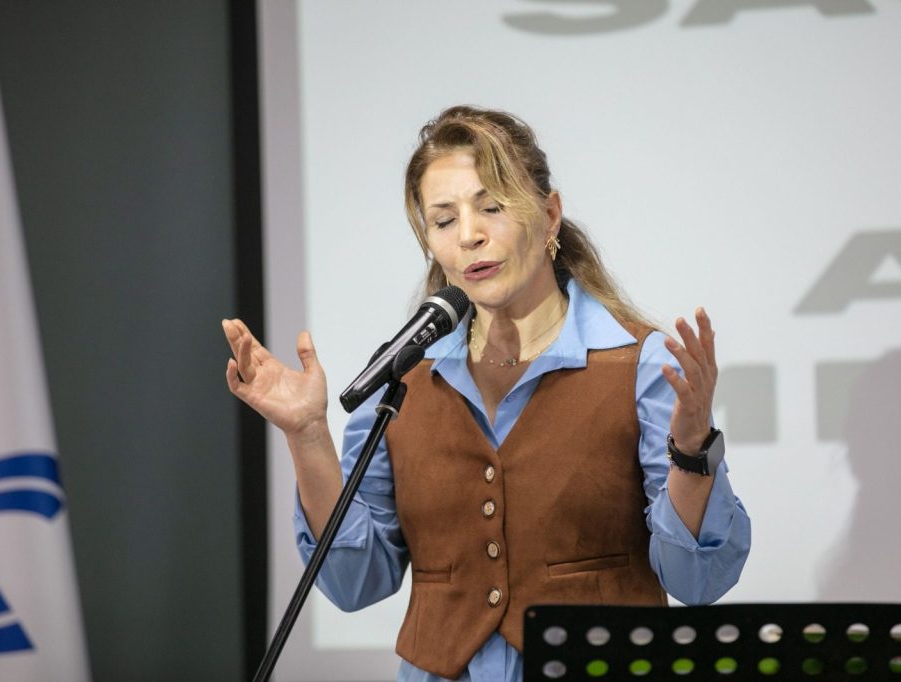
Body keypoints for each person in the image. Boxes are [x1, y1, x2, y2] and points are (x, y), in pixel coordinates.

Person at [223, 106, 750, 681]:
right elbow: (354, 581)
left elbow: (699, 579)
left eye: (492, 207)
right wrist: (308, 436)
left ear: (550, 216)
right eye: (443, 220)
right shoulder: (403, 379)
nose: (469, 235)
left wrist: (692, 452)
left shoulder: (637, 365)